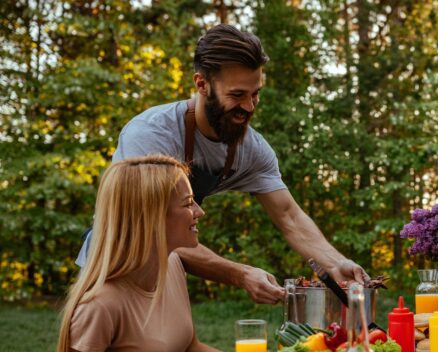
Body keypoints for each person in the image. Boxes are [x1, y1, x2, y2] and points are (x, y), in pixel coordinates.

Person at [77, 24, 367, 304]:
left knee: (172, 351)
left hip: (163, 271)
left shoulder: (252, 150)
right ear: (201, 84)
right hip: (111, 268)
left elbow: (289, 216)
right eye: (237, 95)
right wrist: (240, 274)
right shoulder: (151, 135)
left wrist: (335, 264)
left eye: (255, 94)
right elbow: (153, 231)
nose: (250, 107)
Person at [48, 155, 275, 352]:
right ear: (152, 216)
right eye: (188, 204)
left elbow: (188, 350)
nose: (200, 212)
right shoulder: (101, 303)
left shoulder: (172, 266)